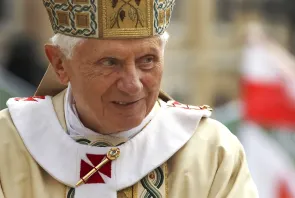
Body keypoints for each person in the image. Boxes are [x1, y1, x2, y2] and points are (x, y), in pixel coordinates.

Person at [0, 0, 259, 197]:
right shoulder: (8, 144)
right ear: (60, 63)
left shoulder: (211, 153)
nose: (132, 85)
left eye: (147, 60)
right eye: (110, 62)